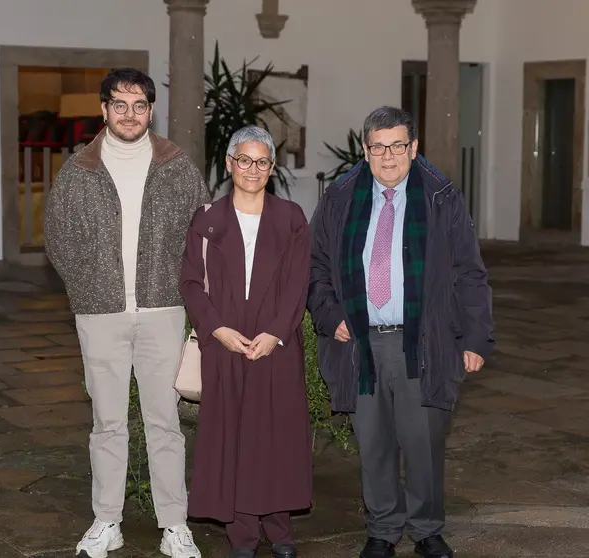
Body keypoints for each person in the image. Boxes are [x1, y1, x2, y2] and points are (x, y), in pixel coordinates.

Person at [307, 106, 494, 558]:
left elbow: (469, 271)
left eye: (396, 146)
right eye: (378, 147)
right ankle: (383, 530)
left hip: (423, 342)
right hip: (361, 344)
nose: (387, 156)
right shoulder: (340, 199)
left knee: (424, 440)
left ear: (413, 148)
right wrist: (331, 317)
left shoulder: (440, 197)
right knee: (373, 442)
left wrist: (475, 338)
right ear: (365, 150)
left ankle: (427, 529)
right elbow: (316, 269)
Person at [44, 67, 208, 558]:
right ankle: (106, 521)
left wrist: (187, 294)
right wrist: (88, 288)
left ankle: (175, 525)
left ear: (151, 110)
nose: (130, 114)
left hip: (164, 310)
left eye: (139, 105)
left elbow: (203, 235)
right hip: (101, 314)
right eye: (120, 104)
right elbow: (57, 237)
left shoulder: (178, 167)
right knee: (107, 422)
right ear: (104, 109)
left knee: (165, 422)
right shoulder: (79, 169)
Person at [180, 125, 312, 558]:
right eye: (243, 160)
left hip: (276, 346)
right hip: (226, 345)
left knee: (276, 437)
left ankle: (280, 530)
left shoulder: (291, 218)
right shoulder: (208, 220)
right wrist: (217, 329)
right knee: (234, 437)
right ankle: (241, 534)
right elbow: (191, 283)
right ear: (229, 164)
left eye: (261, 161)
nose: (251, 169)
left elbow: (297, 284)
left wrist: (275, 333)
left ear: (271, 168)